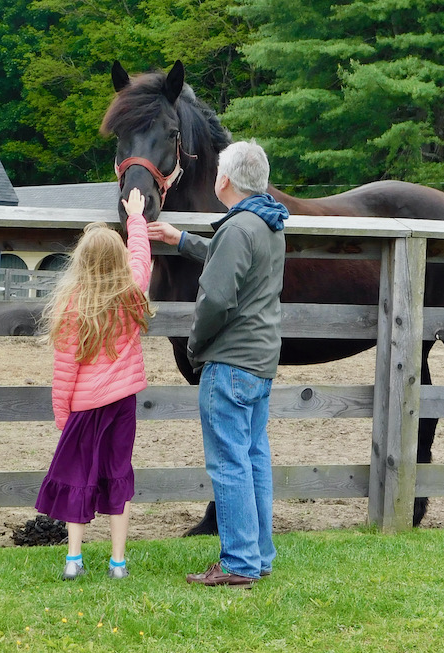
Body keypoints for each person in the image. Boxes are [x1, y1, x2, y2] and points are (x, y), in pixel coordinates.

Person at [147, 140, 288, 587]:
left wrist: (194, 345)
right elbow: (236, 263)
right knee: (253, 459)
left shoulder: (235, 228)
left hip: (228, 363)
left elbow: (219, 296)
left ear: (223, 180)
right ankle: (259, 555)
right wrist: (184, 241)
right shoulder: (266, 223)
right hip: (260, 362)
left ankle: (239, 564)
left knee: (228, 463)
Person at [35, 188, 154, 581]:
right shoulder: (131, 293)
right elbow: (141, 258)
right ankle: (118, 563)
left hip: (84, 409)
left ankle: (74, 559)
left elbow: (64, 370)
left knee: (78, 478)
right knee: (118, 475)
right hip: (122, 404)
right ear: (118, 261)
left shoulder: (73, 305)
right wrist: (135, 218)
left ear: (81, 262)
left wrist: (61, 414)